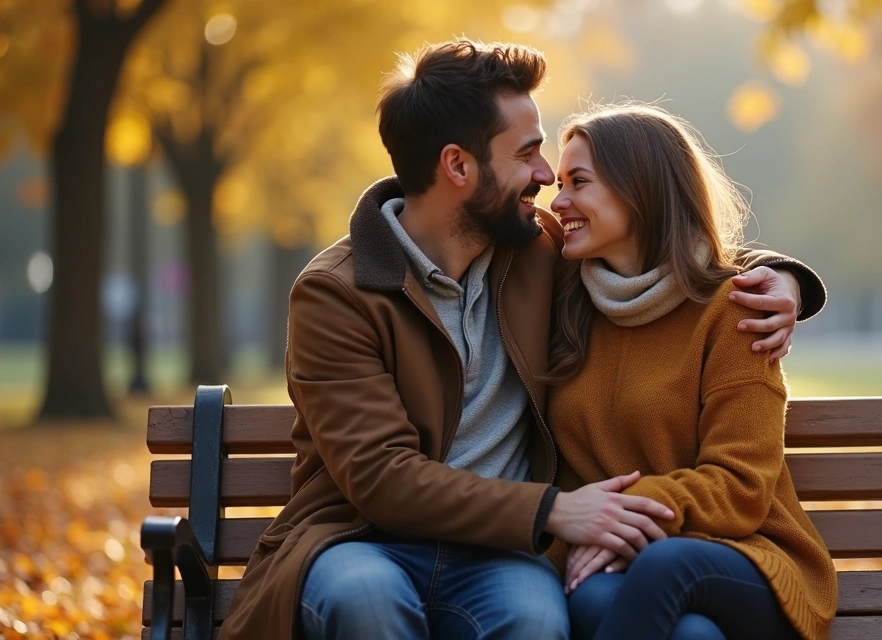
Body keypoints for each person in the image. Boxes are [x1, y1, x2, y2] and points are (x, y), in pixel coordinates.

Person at [218, 40, 827, 640]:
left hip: (503, 554)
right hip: (362, 539)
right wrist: (556, 511)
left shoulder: (539, 250)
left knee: (534, 620)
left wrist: (784, 278)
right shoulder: (335, 293)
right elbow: (382, 477)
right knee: (365, 602)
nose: (545, 178)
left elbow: (661, 244)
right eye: (529, 154)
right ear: (459, 166)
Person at [546, 103, 838, 640]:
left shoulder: (735, 312)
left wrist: (631, 512)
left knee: (667, 567)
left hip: (744, 556)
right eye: (558, 183)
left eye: (578, 182)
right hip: (611, 562)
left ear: (641, 189)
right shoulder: (566, 302)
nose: (558, 201)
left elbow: (742, 486)